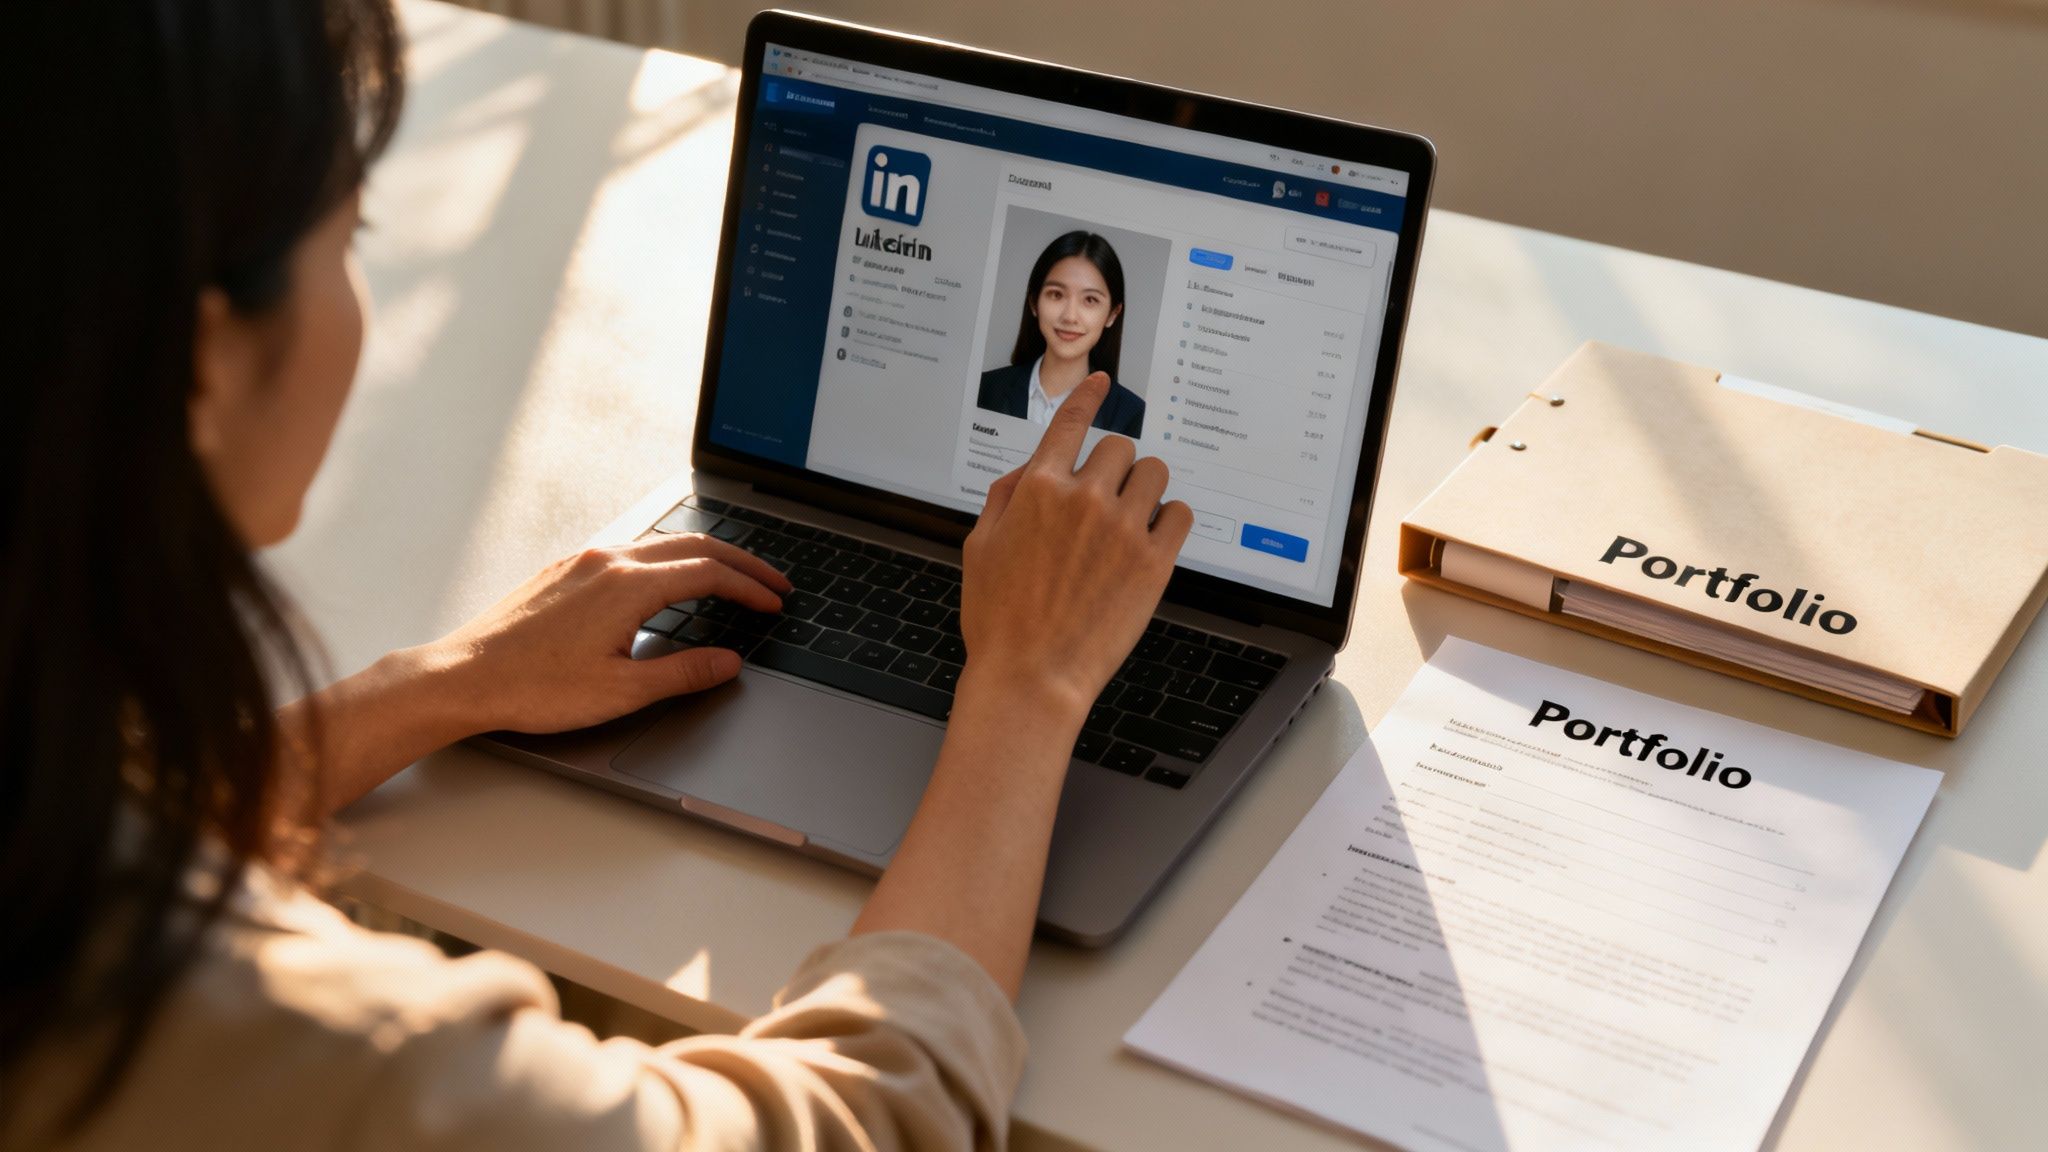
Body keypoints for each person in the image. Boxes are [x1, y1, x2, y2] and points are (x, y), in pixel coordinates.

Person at [0, 2, 1192, 1149]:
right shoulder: (302, 1044)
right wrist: (1028, 683)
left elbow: (104, 831)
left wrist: (437, 686)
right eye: (347, 234)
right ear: (206, 361)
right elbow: (868, 1123)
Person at [976, 231, 1147, 436]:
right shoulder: (985, 389)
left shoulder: (1132, 416)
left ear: (1112, 314)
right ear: (1034, 302)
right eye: (1056, 295)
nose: (1070, 316)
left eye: (1090, 300)